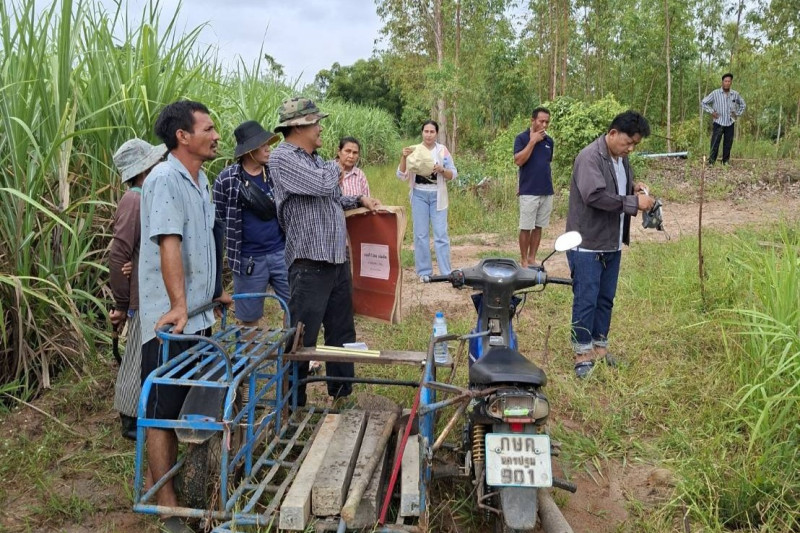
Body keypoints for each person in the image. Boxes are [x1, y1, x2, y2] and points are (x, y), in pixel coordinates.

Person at [138, 100, 230, 533]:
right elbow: (169, 242)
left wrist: (213, 292)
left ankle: (171, 485)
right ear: (183, 136)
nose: (216, 135)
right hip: (171, 323)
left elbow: (204, 242)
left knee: (189, 404)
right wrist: (178, 304)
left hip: (198, 315)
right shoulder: (164, 180)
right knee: (163, 410)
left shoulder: (201, 179)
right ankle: (167, 506)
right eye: (208, 129)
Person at [268, 97, 381, 407]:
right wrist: (337, 165)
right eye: (316, 123)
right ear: (299, 126)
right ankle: (293, 403)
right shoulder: (282, 158)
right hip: (309, 263)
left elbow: (332, 198)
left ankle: (341, 394)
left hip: (336, 259)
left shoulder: (316, 160)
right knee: (301, 337)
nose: (320, 128)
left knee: (341, 332)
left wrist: (358, 200)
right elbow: (321, 185)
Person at [565, 110, 655, 379]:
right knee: (587, 299)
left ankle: (600, 348)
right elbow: (595, 196)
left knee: (605, 298)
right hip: (587, 243)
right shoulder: (589, 157)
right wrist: (634, 203)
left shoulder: (621, 159)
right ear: (613, 133)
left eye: (635, 144)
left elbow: (616, 189)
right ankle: (582, 354)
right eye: (628, 142)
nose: (631, 148)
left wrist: (633, 189)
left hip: (611, 242)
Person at [109, 138, 166, 441]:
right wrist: (121, 304)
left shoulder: (146, 196)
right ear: (145, 168)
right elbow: (119, 253)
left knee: (143, 354)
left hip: (148, 288)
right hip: (140, 293)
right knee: (136, 356)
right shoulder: (134, 200)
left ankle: (138, 411)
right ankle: (129, 417)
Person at [213, 120, 290, 325]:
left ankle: (292, 346)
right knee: (248, 319)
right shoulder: (226, 180)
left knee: (296, 307)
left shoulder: (275, 173)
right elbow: (219, 220)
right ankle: (250, 347)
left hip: (281, 253)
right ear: (249, 150)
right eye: (262, 145)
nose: (268, 148)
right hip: (248, 260)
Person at [396, 120, 458, 280]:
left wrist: (442, 170)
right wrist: (403, 157)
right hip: (419, 195)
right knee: (420, 235)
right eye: (426, 131)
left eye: (432, 132)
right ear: (422, 132)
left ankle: (445, 272)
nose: (429, 135)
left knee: (441, 234)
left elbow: (453, 174)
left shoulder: (442, 151)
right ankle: (424, 272)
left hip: (438, 195)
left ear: (436, 134)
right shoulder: (414, 150)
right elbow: (401, 175)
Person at [513, 107, 554, 268]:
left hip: (546, 191)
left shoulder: (549, 141)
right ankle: (524, 260)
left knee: (538, 227)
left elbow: (546, 163)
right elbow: (519, 161)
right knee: (526, 227)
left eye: (547, 122)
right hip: (529, 191)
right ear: (532, 120)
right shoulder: (521, 138)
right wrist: (532, 141)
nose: (544, 125)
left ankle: (532, 259)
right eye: (541, 121)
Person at [701, 73, 746, 165]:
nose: (727, 83)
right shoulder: (715, 93)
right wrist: (712, 111)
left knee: (728, 144)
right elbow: (703, 102)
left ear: (731, 82)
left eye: (729, 81)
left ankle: (725, 162)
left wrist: (737, 114)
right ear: (722, 82)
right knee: (715, 143)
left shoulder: (735, 94)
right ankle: (711, 162)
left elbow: (743, 104)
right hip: (718, 122)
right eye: (725, 81)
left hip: (730, 122)